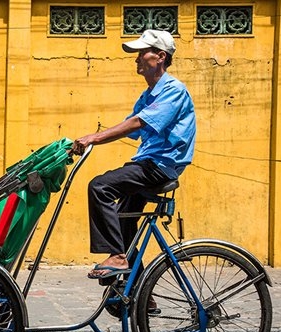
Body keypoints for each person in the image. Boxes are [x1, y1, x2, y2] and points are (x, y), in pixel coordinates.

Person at [70, 29, 196, 279]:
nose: (137, 58)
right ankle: (140, 292)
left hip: (159, 166)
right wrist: (77, 142)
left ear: (160, 56)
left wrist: (93, 138)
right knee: (122, 221)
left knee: (100, 187)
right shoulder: (148, 95)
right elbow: (129, 125)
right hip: (148, 164)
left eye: (142, 53)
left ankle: (117, 257)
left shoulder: (173, 90)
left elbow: (139, 123)